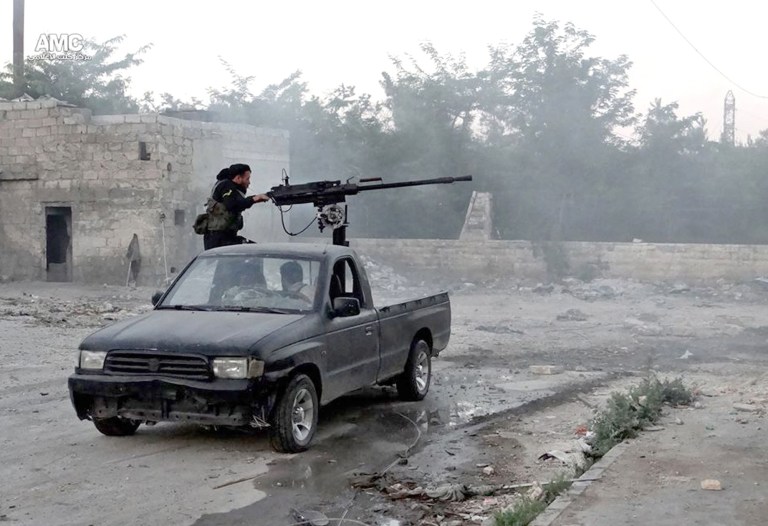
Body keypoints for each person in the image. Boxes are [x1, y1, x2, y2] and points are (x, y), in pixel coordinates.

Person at [202, 164, 270, 250]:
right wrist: (254, 199)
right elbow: (232, 205)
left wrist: (260, 198)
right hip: (218, 239)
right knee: (255, 251)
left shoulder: (228, 186)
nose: (249, 182)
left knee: (254, 250)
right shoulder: (226, 186)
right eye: (247, 179)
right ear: (238, 178)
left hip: (225, 237)